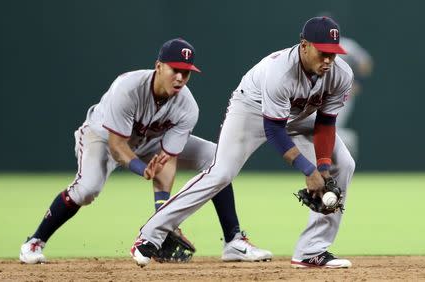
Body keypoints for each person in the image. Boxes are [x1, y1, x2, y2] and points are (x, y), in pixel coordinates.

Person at [19, 38, 272, 264]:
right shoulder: (127, 88)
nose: (181, 78)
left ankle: (233, 241)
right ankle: (34, 242)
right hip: (103, 137)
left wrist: (162, 214)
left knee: (215, 157)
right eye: (176, 70)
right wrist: (141, 169)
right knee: (88, 188)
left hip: (149, 141)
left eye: (187, 73)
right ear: (159, 66)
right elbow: (119, 147)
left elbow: (167, 158)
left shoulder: (187, 107)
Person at [130, 17, 355, 269]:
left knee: (343, 163)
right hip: (251, 111)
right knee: (221, 173)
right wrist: (308, 169)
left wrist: (323, 168)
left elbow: (325, 123)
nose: (328, 60)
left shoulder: (341, 74)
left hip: (298, 116)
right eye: (323, 52)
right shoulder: (280, 72)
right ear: (304, 46)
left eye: (333, 54)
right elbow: (274, 130)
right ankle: (149, 236)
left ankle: (312, 251)